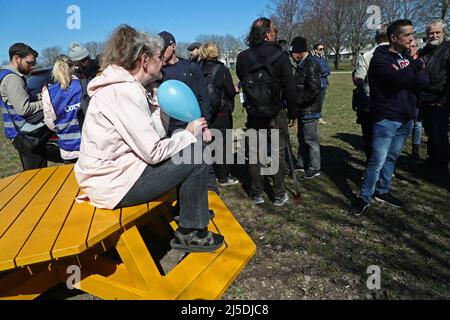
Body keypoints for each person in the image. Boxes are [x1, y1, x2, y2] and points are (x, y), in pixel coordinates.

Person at [74, 25, 224, 253]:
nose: (162, 60)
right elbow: (153, 152)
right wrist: (188, 133)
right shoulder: (123, 92)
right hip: (113, 184)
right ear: (144, 60)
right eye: (157, 56)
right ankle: (191, 233)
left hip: (116, 175)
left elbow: (156, 137)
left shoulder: (129, 89)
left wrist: (158, 108)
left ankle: (191, 212)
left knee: (185, 147)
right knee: (196, 153)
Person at [349, 20, 429, 216]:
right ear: (394, 38)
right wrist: (417, 64)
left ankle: (383, 191)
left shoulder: (406, 58)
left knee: (392, 157)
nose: (412, 39)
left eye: (413, 34)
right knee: (377, 160)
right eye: (407, 35)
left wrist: (413, 70)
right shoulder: (380, 58)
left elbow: (424, 81)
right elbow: (398, 79)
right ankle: (364, 197)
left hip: (406, 117)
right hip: (387, 118)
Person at [236, 17, 297, 206]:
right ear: (268, 34)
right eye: (275, 31)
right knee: (278, 151)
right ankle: (279, 193)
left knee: (255, 151)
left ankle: (257, 192)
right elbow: (290, 87)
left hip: (254, 111)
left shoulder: (243, 57)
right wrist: (293, 112)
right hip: (276, 110)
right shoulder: (281, 56)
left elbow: (241, 77)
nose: (276, 34)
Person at [158, 31, 218, 192]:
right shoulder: (157, 72)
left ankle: (212, 201)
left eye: (163, 49)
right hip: (170, 132)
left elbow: (203, 98)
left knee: (204, 166)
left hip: (195, 127)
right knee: (178, 171)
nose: (160, 53)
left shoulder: (190, 67)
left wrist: (205, 126)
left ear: (173, 46)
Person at [0, 43, 61, 170]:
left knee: (38, 175)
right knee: (36, 178)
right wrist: (47, 102)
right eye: (29, 63)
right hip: (25, 136)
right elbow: (24, 109)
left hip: (24, 134)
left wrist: (40, 97)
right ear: (16, 59)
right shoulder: (12, 79)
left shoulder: (10, 76)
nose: (31, 67)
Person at [200, 42, 239, 187]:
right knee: (223, 144)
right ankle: (223, 176)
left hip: (204, 110)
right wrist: (235, 90)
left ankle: (207, 172)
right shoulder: (221, 69)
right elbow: (229, 91)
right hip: (221, 112)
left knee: (206, 142)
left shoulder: (198, 68)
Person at [353, 24, 389, 165]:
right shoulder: (400, 54)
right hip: (392, 104)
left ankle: (372, 165)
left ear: (376, 38)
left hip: (370, 103)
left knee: (369, 138)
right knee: (387, 139)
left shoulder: (367, 55)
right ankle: (386, 168)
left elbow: (358, 79)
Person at [418, 19, 450, 177]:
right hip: (425, 98)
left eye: (437, 32)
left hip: (440, 99)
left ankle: (442, 165)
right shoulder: (424, 51)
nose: (434, 35)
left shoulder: (448, 49)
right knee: (430, 131)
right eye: (431, 33)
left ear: (443, 32)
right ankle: (432, 159)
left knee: (440, 133)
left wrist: (444, 97)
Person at [290, 36, 322, 180]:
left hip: (310, 109)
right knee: (301, 138)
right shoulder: (302, 64)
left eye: (293, 53)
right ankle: (301, 163)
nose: (292, 56)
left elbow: (313, 90)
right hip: (303, 110)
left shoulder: (311, 64)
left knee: (311, 140)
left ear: (299, 51)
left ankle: (315, 167)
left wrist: (297, 102)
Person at [42, 55, 82, 163]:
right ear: (73, 68)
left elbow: (49, 122)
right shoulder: (84, 85)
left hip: (67, 149)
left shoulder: (48, 93)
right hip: (89, 146)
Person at [409, 40, 423, 159]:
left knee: (417, 124)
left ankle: (415, 148)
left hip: (418, 97)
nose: (411, 48)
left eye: (413, 46)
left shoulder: (421, 61)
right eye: (409, 45)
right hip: (405, 98)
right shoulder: (402, 59)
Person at [312, 43, 330, 125]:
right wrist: (323, 72)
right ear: (315, 50)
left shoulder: (323, 59)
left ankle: (318, 116)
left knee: (321, 101)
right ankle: (317, 117)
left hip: (324, 83)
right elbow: (318, 72)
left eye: (323, 49)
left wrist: (323, 72)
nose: (322, 51)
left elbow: (328, 70)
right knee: (316, 101)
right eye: (320, 49)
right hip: (317, 83)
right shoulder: (313, 59)